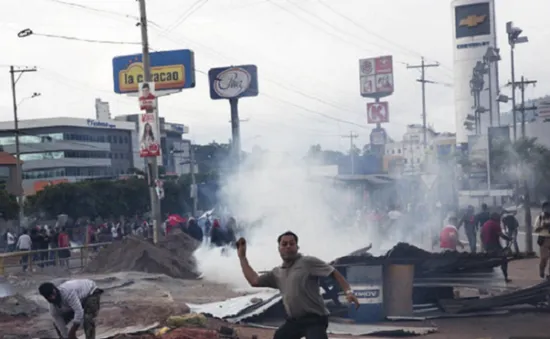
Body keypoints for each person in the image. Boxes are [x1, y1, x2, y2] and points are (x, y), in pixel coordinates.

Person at [237, 231, 360, 339]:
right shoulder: (277, 273)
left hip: (315, 319)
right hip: (295, 321)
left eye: (292, 243)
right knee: (280, 336)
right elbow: (254, 280)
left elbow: (333, 272)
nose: (288, 246)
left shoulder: (308, 262)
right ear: (279, 249)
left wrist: (348, 292)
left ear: (297, 247)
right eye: (284, 244)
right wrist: (242, 257)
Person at [38, 279, 103, 339]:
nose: (53, 297)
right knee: (57, 324)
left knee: (87, 317)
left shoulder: (67, 292)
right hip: (79, 300)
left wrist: (72, 331)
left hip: (91, 292)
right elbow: (61, 325)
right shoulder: (53, 309)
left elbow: (79, 312)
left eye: (53, 294)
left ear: (55, 289)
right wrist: (67, 337)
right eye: (50, 297)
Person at [481, 212, 511, 283]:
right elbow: (501, 235)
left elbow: (481, 235)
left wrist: (484, 244)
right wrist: (509, 238)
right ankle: (505, 277)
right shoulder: (495, 224)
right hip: (493, 245)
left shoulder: (485, 223)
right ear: (496, 218)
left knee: (490, 260)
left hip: (487, 245)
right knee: (503, 260)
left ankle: (489, 277)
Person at [534, 201, 550, 279]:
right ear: (543, 208)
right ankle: (542, 269)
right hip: (543, 239)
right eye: (546, 207)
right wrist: (543, 226)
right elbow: (535, 230)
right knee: (544, 257)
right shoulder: (540, 217)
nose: (548, 209)